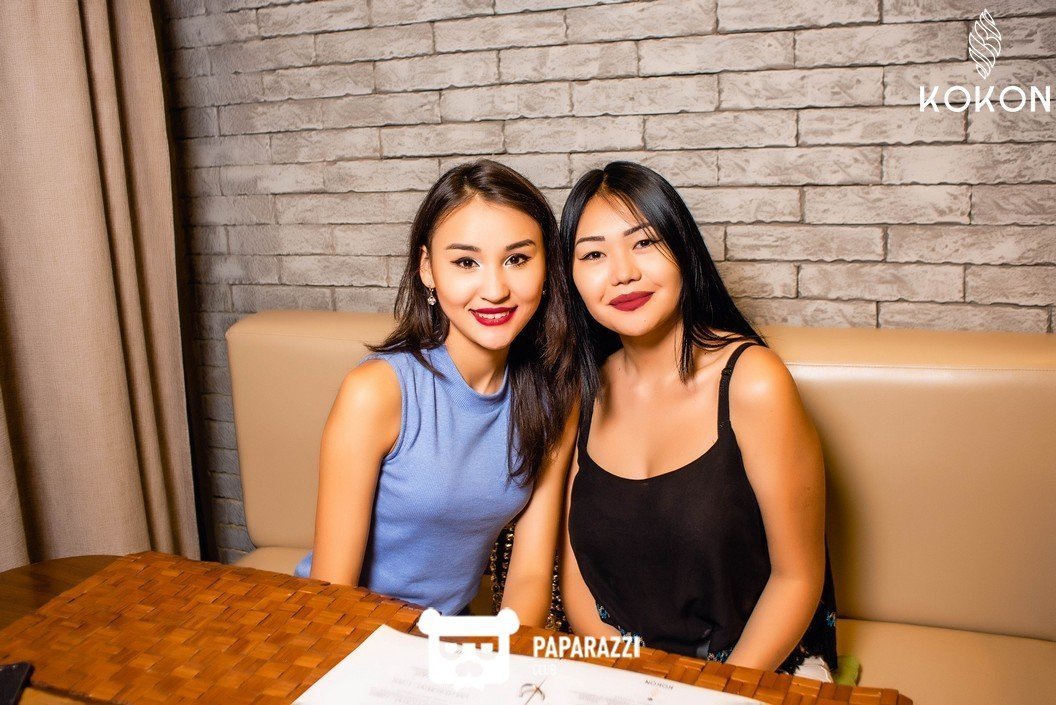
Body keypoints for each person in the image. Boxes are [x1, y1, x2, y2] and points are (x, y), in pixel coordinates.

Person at [558, 161, 837, 680]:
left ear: (683, 248)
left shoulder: (754, 381)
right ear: (571, 277)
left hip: (755, 666)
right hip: (623, 672)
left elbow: (797, 578)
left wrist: (708, 692)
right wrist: (629, 679)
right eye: (594, 253)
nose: (622, 272)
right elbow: (577, 583)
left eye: (644, 242)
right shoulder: (584, 390)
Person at [294, 160, 578, 626]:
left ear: (547, 265)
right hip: (347, 630)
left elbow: (529, 576)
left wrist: (502, 655)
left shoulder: (556, 397)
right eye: (466, 262)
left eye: (517, 259)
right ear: (428, 268)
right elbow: (332, 595)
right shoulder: (377, 391)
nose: (495, 289)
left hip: (452, 636)